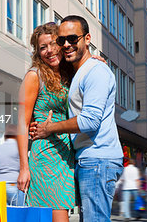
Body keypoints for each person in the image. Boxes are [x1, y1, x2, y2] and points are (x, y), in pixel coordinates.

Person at [30, 15, 124, 222]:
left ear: (87, 38)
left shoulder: (95, 71)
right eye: (61, 40)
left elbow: (90, 121)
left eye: (73, 39)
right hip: (89, 159)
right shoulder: (79, 72)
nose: (66, 45)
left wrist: (50, 128)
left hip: (98, 159)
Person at [17, 22, 75, 222]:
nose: (49, 51)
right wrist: (24, 168)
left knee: (61, 213)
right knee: (57, 216)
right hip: (46, 155)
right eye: (43, 47)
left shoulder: (68, 74)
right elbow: (22, 124)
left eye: (52, 44)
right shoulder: (35, 76)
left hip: (66, 156)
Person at [0, 124, 25, 206]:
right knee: (19, 214)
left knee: (5, 216)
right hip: (14, 184)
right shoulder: (19, 148)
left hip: (0, 186)